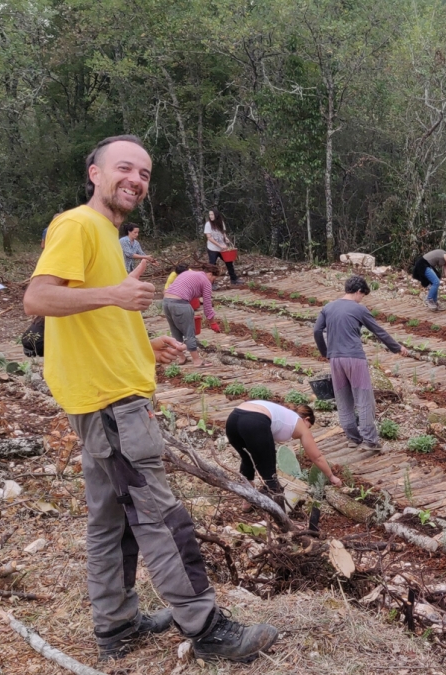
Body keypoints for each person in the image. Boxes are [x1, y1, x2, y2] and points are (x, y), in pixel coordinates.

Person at [23, 135, 278, 663]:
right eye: (125, 168)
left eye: (143, 173)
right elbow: (38, 297)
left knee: (111, 519)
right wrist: (116, 295)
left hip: (100, 399)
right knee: (161, 518)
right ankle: (208, 630)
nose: (136, 180)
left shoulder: (106, 236)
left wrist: (144, 343)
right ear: (94, 173)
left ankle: (116, 627)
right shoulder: (79, 224)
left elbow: (94, 318)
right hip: (111, 405)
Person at [313, 275, 408, 450]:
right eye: (362, 295)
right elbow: (378, 331)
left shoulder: (328, 307)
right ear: (358, 291)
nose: (361, 298)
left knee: (343, 398)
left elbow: (317, 330)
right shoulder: (359, 309)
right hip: (354, 358)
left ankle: (352, 438)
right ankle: (370, 440)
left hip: (335, 359)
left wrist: (325, 353)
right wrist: (397, 348)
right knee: (364, 398)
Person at [225, 401, 342, 512]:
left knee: (247, 461)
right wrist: (331, 476)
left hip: (233, 419)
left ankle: (247, 502)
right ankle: (280, 518)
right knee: (270, 475)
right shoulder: (300, 424)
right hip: (254, 421)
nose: (308, 430)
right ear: (306, 419)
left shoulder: (285, 414)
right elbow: (317, 457)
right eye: (309, 427)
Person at [163, 264, 221, 367]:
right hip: (180, 303)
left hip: (166, 302)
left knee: (175, 331)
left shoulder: (187, 273)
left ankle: (181, 358)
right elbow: (207, 305)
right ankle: (197, 361)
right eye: (214, 278)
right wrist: (212, 322)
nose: (213, 281)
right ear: (210, 274)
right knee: (189, 332)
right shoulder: (206, 281)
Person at [414, 245, 446, 311]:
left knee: (436, 281)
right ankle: (429, 300)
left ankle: (434, 302)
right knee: (436, 282)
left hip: (426, 265)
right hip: (422, 264)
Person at [204, 208, 239, 284]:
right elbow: (209, 237)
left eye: (212, 214)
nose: (210, 216)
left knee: (229, 262)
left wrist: (225, 238)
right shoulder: (208, 224)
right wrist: (219, 245)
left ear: (216, 215)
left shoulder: (221, 222)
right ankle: (210, 284)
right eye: (210, 214)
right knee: (212, 266)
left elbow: (223, 233)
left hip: (222, 248)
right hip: (212, 248)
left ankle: (234, 279)